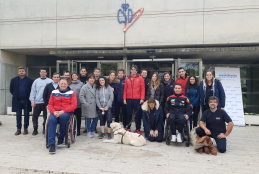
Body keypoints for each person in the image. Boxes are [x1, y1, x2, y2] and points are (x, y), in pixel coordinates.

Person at [47, 79, 77, 154]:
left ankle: (61, 137)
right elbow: (50, 104)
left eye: (65, 84)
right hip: (55, 112)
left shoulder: (72, 93)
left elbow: (74, 105)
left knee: (63, 117)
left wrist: (62, 111)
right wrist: (54, 112)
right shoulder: (54, 92)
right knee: (51, 120)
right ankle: (52, 144)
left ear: (67, 84)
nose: (63, 85)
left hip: (66, 112)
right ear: (59, 84)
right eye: (61, 83)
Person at [10, 66, 33, 135]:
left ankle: (25, 129)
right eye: (20, 71)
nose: (21, 72)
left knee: (26, 115)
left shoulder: (30, 80)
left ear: (25, 72)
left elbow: (32, 90)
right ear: (18, 72)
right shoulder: (13, 80)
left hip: (26, 100)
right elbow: (11, 90)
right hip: (17, 100)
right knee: (18, 115)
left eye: (23, 71)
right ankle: (18, 129)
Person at [29, 69, 53, 135]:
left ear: (46, 73)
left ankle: (44, 129)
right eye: (41, 72)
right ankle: (35, 129)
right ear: (39, 73)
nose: (43, 73)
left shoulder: (50, 81)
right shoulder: (36, 81)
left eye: (44, 72)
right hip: (37, 102)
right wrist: (32, 101)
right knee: (35, 117)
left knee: (46, 117)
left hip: (46, 103)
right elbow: (33, 92)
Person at [123, 65, 145, 134]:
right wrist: (124, 98)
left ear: (137, 71)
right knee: (128, 114)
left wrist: (142, 98)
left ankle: (137, 129)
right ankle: (128, 128)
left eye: (135, 70)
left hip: (137, 99)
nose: (133, 71)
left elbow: (142, 89)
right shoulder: (127, 78)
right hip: (129, 99)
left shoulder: (140, 78)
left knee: (137, 115)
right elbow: (125, 89)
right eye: (132, 69)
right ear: (130, 70)